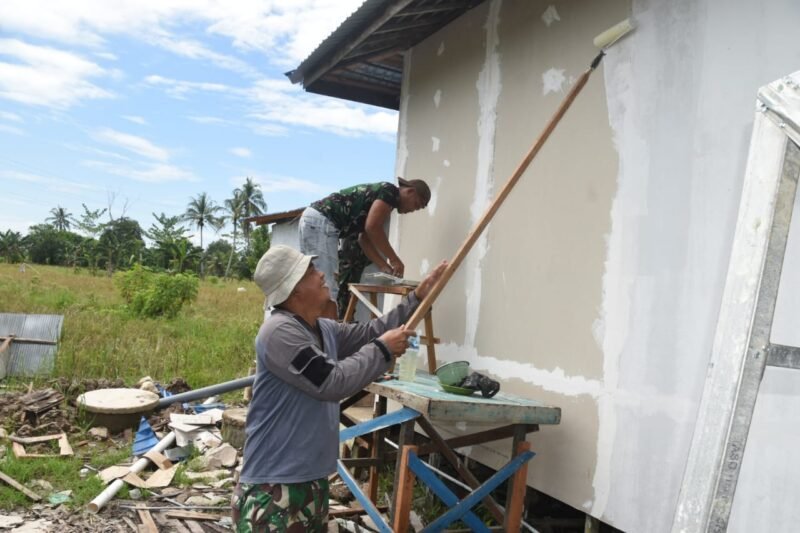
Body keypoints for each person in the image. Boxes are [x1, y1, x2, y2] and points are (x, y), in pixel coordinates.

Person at [233, 244, 446, 531]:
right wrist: (383, 349)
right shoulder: (279, 332)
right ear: (294, 291)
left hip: (310, 480)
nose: (321, 274)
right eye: (310, 271)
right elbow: (331, 382)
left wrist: (416, 298)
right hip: (275, 487)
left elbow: (372, 332)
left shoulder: (323, 329)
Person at [299, 178, 431, 317]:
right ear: (410, 191)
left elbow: (364, 239)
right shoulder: (390, 192)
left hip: (314, 221)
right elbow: (372, 227)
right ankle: (325, 329)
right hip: (322, 223)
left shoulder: (383, 200)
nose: (412, 210)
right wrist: (394, 260)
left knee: (313, 282)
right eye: (416, 205)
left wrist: (383, 266)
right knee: (327, 287)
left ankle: (313, 325)